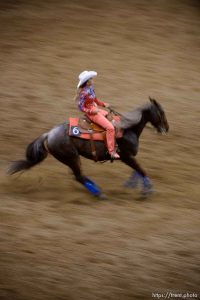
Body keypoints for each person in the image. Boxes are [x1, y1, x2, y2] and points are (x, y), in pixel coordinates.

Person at [75, 70, 120, 159]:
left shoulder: (91, 88)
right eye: (91, 78)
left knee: (110, 117)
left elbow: (95, 100)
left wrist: (103, 104)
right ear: (87, 82)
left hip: (95, 109)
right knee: (110, 128)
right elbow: (80, 107)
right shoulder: (84, 93)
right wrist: (91, 111)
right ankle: (111, 151)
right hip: (92, 113)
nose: (93, 80)